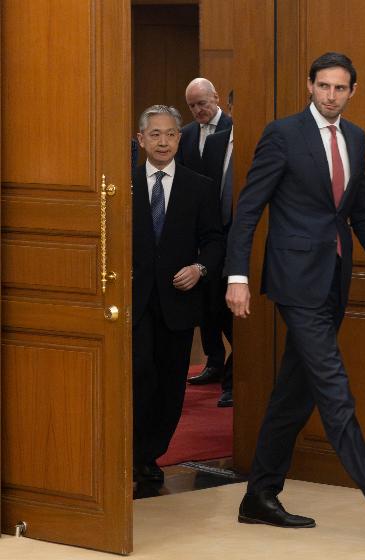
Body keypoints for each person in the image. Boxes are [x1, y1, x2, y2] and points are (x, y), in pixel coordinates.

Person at [224, 52, 365, 543]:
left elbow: (361, 211)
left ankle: (259, 495)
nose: (331, 95)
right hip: (295, 280)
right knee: (333, 387)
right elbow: (249, 209)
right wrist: (236, 274)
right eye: (323, 86)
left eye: (340, 88)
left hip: (335, 278)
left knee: (294, 392)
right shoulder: (283, 134)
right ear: (310, 85)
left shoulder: (357, 138)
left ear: (352, 92)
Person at [131, 104, 224, 483]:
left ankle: (152, 454)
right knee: (139, 375)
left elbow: (216, 240)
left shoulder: (198, 187)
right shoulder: (124, 184)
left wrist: (199, 268)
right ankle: (132, 452)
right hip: (135, 302)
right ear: (141, 140)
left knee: (170, 381)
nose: (164, 141)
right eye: (155, 134)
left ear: (179, 138)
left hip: (178, 301)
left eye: (171, 134)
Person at [189, 91, 235, 407]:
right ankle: (215, 362)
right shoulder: (197, 137)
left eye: (202, 103)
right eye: (192, 105)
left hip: (239, 233)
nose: (198, 110)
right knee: (208, 303)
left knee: (228, 307)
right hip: (210, 231)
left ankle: (234, 375)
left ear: (217, 100)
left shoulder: (232, 129)